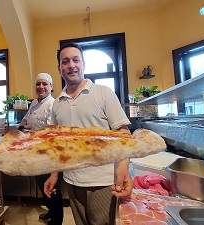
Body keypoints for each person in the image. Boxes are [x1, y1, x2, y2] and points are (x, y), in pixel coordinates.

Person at [44, 43, 133, 225]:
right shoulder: (57, 103)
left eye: (76, 60)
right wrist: (54, 175)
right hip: (72, 180)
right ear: (59, 68)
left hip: (102, 181)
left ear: (83, 64)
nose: (71, 65)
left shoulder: (103, 93)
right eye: (65, 61)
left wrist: (122, 170)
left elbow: (123, 134)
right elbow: (56, 143)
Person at [17, 73, 64, 225]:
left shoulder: (53, 104)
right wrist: (21, 126)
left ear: (51, 87)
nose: (41, 87)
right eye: (38, 84)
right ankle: (50, 211)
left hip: (49, 153)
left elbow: (53, 130)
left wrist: (34, 129)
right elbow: (27, 116)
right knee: (42, 185)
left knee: (52, 187)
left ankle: (56, 220)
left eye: (45, 84)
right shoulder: (34, 103)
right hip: (36, 152)